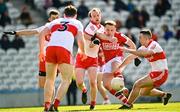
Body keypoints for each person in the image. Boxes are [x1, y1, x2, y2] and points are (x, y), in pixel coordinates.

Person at [39, 5, 84, 111]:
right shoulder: (77, 23)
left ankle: (46, 106)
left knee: (49, 79)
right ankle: (55, 105)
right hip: (64, 50)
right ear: (75, 16)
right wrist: (83, 52)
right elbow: (81, 40)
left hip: (50, 49)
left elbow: (41, 34)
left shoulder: (56, 21)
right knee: (66, 80)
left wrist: (41, 51)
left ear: (64, 15)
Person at [115, 29, 172, 109]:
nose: (139, 39)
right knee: (143, 92)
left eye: (140, 37)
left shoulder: (154, 45)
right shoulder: (143, 47)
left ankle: (128, 104)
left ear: (146, 38)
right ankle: (165, 95)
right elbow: (131, 57)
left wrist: (128, 50)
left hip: (161, 73)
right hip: (156, 73)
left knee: (137, 84)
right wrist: (120, 68)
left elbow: (146, 53)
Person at [4, 9, 60, 89]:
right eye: (53, 18)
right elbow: (30, 31)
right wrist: (16, 32)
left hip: (54, 57)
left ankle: (49, 102)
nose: (55, 20)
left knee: (50, 81)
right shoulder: (44, 28)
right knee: (42, 84)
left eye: (56, 18)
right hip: (44, 57)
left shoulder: (61, 30)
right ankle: (49, 100)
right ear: (49, 19)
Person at [75, 8, 113, 110]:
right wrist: (94, 41)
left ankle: (92, 104)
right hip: (82, 57)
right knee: (79, 82)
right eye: (94, 16)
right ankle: (84, 90)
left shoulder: (102, 28)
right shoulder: (90, 26)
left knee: (93, 82)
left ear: (100, 16)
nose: (96, 17)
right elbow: (87, 38)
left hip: (93, 59)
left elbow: (101, 41)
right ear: (91, 17)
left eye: (98, 15)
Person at [95, 20, 136, 106]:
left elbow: (132, 45)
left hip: (117, 58)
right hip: (106, 61)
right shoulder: (101, 35)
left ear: (115, 30)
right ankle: (126, 101)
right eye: (107, 30)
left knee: (115, 68)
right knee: (106, 85)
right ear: (104, 29)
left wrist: (133, 54)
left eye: (111, 30)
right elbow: (96, 35)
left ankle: (122, 86)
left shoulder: (120, 35)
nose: (109, 32)